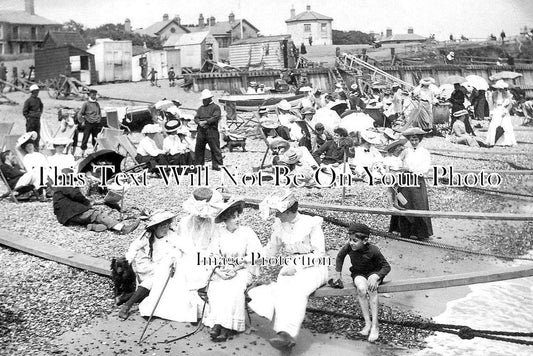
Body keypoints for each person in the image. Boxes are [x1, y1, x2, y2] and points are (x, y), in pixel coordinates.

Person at [249, 191, 328, 351]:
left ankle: (288, 333)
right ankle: (284, 334)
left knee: (298, 290)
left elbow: (320, 254)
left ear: (289, 211)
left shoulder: (311, 224)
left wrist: (297, 267)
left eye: (279, 212)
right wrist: (252, 258)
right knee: (283, 289)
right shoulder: (279, 226)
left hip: (314, 266)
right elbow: (271, 250)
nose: (276, 215)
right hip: (290, 265)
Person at [138, 188, 223, 322]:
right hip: (184, 255)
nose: (201, 217)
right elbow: (178, 243)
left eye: (204, 215)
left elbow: (216, 248)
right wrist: (174, 257)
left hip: (204, 259)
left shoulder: (214, 225)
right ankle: (158, 307)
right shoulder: (185, 222)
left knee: (192, 274)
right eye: (198, 214)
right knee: (167, 269)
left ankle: (193, 310)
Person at [203, 199, 263, 341]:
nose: (238, 219)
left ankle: (227, 327)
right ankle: (218, 323)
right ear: (225, 220)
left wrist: (237, 266)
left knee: (234, 288)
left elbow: (257, 254)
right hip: (223, 270)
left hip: (243, 270)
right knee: (216, 286)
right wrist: (219, 271)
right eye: (233, 217)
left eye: (238, 216)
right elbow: (212, 255)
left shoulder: (247, 232)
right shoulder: (218, 233)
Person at [334, 223, 391, 342]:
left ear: (365, 240)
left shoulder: (373, 250)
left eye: (355, 240)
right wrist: (338, 275)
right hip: (359, 273)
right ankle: (367, 323)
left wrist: (377, 276)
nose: (351, 243)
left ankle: (375, 325)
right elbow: (340, 257)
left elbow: (386, 267)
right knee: (361, 289)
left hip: (373, 274)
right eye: (350, 239)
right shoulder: (349, 247)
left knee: (371, 289)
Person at [119, 211, 178, 319]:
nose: (165, 228)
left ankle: (126, 298)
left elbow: (179, 249)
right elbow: (134, 247)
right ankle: (127, 306)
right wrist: (129, 259)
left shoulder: (172, 235)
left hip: (166, 266)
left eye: (167, 225)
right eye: (162, 226)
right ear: (155, 228)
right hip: (149, 266)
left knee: (156, 288)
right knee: (152, 280)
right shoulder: (147, 236)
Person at [53, 168, 140, 233]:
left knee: (96, 216)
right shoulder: (65, 185)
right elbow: (77, 195)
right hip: (70, 213)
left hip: (66, 217)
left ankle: (92, 226)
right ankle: (122, 228)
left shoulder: (62, 187)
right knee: (97, 214)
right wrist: (88, 203)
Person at [389, 127, 433, 240]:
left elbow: (425, 168)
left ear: (420, 140)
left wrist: (412, 169)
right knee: (404, 203)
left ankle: (421, 233)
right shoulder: (406, 151)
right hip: (405, 179)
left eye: (416, 140)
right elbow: (397, 161)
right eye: (412, 140)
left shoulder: (424, 152)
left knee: (419, 203)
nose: (414, 142)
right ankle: (404, 231)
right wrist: (398, 162)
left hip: (417, 179)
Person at [194, 89, 223, 171]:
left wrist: (206, 122)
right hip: (201, 130)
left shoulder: (215, 107)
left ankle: (217, 165)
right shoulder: (200, 108)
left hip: (211, 130)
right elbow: (196, 117)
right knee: (199, 148)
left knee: (215, 148)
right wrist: (199, 122)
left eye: (205, 99)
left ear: (209, 99)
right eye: (203, 99)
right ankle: (199, 165)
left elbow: (216, 117)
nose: (203, 101)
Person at [78, 89, 102, 157]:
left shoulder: (97, 104)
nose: (94, 96)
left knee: (95, 138)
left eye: (95, 94)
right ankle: (82, 152)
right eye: (92, 94)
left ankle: (95, 151)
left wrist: (98, 120)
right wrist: (82, 121)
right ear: (89, 95)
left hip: (95, 124)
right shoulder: (86, 104)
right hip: (88, 123)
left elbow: (99, 113)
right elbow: (80, 113)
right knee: (85, 138)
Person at [22, 84, 43, 150]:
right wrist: (28, 117)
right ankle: (30, 148)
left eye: (37, 91)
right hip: (31, 120)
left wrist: (39, 113)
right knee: (30, 134)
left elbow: (41, 106)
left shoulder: (38, 100)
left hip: (37, 119)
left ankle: (36, 148)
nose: (37, 93)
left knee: (37, 134)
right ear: (33, 92)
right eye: (36, 91)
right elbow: (24, 111)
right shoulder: (28, 101)